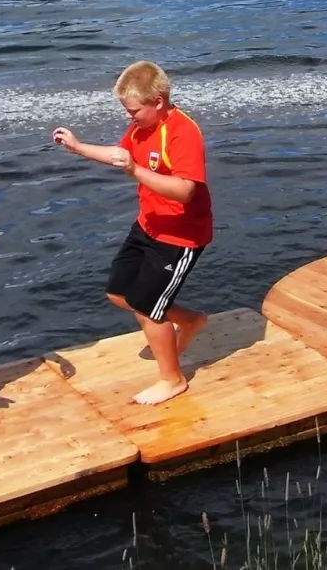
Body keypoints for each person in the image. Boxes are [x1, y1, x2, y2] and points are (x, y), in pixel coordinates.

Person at [53, 61, 212, 406]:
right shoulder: (142, 128)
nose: (129, 117)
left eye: (133, 110)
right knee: (119, 292)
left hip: (179, 236)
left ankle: (173, 380)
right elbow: (119, 156)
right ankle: (191, 320)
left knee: (148, 307)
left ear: (158, 101)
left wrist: (136, 170)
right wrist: (78, 148)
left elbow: (185, 190)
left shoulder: (183, 133)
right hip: (148, 224)